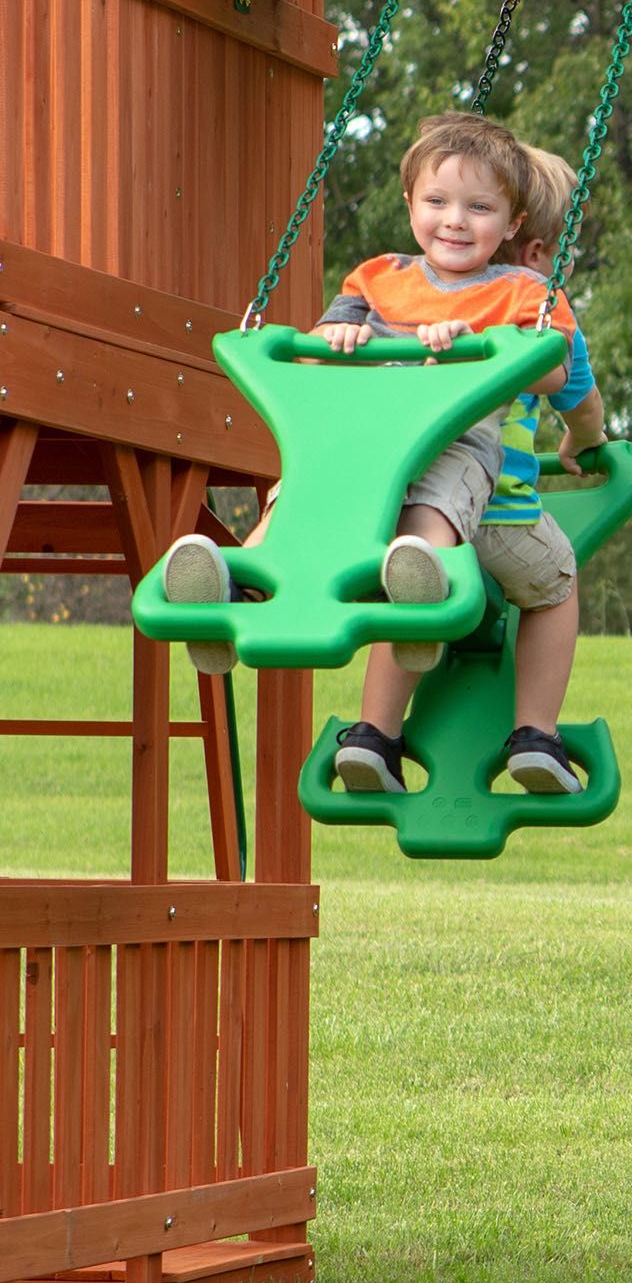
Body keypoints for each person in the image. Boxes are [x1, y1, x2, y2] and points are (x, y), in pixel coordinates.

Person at [157, 112, 593, 794]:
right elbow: (329, 333)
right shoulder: (377, 276)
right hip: (357, 452)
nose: (455, 220)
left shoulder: (524, 293)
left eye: (479, 208)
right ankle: (237, 587)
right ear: (410, 204)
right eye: (438, 202)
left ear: (511, 224)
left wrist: (476, 341)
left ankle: (482, 719)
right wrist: (336, 340)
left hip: (452, 452)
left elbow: (553, 373)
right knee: (304, 498)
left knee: (427, 536)